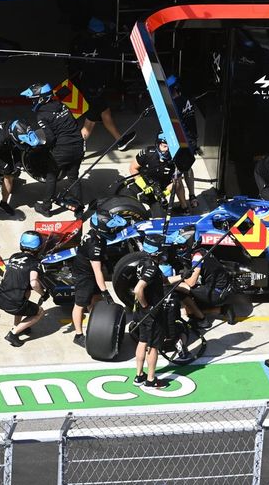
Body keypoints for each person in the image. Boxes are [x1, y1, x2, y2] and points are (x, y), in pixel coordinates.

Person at [69, 17, 133, 150]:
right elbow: (123, 48)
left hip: (86, 85)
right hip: (97, 88)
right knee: (92, 118)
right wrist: (128, 34)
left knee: (105, 113)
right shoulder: (106, 45)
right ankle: (78, 146)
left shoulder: (80, 45)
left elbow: (74, 65)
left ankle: (120, 141)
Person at [21, 83, 86, 217]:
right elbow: (74, 124)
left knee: (51, 177)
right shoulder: (63, 106)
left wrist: (43, 147)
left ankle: (45, 208)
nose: (32, 102)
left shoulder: (42, 115)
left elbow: (50, 138)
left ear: (41, 99)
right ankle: (79, 210)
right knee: (73, 177)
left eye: (34, 99)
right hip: (78, 146)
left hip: (63, 150)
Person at [70, 211, 126, 347]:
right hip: (84, 275)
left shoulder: (97, 235)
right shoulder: (95, 244)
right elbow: (97, 270)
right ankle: (78, 335)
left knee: (95, 298)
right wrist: (105, 291)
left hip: (88, 271)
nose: (113, 230)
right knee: (80, 304)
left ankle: (95, 323)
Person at [0, 119, 43, 223]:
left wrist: (17, 165)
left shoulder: (23, 125)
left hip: (4, 147)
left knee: (10, 175)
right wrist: (5, 166)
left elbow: (18, 148)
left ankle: (4, 203)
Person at [0, 231, 47, 347]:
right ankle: (13, 334)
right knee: (40, 312)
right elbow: (33, 283)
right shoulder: (34, 263)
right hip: (14, 304)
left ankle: (17, 326)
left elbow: (5, 275)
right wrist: (42, 294)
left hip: (0, 298)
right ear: (38, 248)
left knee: (25, 294)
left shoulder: (14, 256)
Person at [170, 235, 234, 328]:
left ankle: (202, 320)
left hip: (217, 292)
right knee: (189, 311)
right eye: (177, 247)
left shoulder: (197, 257)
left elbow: (191, 282)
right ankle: (222, 310)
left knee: (178, 288)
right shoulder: (202, 251)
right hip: (222, 288)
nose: (178, 249)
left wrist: (176, 279)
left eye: (181, 246)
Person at [133, 234, 171, 389]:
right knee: (153, 346)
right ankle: (150, 380)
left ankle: (139, 375)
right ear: (157, 253)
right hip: (151, 313)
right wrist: (146, 306)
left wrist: (182, 276)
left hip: (142, 313)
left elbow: (164, 282)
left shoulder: (143, 263)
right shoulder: (152, 268)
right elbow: (138, 289)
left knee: (142, 341)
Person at [129, 134, 187, 214]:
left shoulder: (177, 161)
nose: (167, 150)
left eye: (170, 148)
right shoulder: (147, 152)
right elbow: (133, 168)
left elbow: (176, 183)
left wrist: (163, 194)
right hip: (141, 185)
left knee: (159, 219)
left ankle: (184, 207)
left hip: (158, 193)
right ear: (158, 144)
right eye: (164, 146)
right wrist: (143, 186)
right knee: (122, 202)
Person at [167, 75, 200, 207]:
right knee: (188, 167)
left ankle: (184, 206)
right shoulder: (188, 100)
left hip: (179, 140)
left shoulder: (172, 105)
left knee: (177, 173)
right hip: (191, 138)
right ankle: (192, 196)